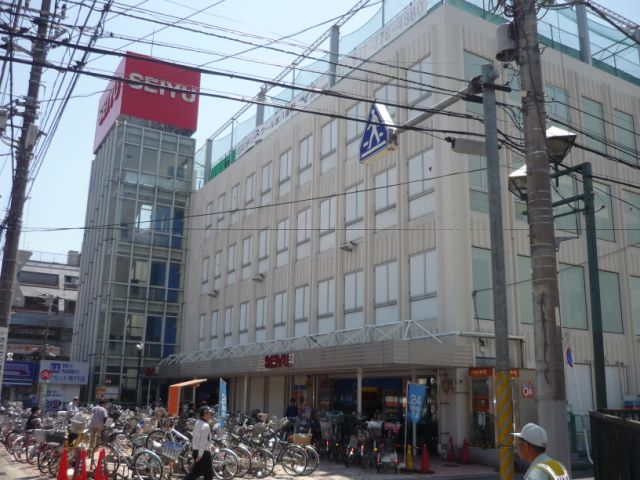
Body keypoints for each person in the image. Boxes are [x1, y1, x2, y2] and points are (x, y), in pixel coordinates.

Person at [185, 406, 214, 480]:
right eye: (209, 414)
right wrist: (200, 455)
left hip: (196, 451)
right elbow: (203, 441)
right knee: (209, 475)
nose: (210, 415)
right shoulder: (205, 426)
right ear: (205, 414)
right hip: (203, 453)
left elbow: (199, 439)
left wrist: (211, 445)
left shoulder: (197, 423)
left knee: (196, 472)